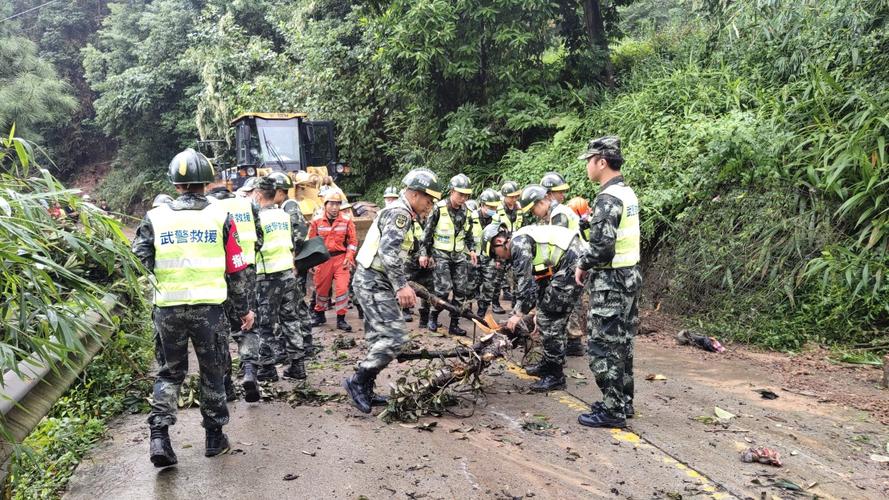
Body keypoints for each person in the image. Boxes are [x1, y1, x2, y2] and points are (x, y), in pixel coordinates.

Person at [132, 148, 255, 467]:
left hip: (168, 310)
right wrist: (243, 310)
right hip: (209, 310)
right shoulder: (220, 216)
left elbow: (137, 262)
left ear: (175, 184)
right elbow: (236, 268)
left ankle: (160, 436)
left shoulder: (155, 217)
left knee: (170, 373)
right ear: (208, 181)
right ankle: (214, 438)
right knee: (212, 372)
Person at [344, 168, 443, 413]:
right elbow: (388, 254)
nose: (429, 207)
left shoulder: (403, 212)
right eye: (428, 201)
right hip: (373, 281)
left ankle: (365, 386)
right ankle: (357, 382)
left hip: (375, 280)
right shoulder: (400, 214)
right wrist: (401, 286)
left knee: (378, 338)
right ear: (415, 195)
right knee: (396, 337)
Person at [574, 136, 642, 429]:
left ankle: (613, 410)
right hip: (629, 275)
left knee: (602, 345)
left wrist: (583, 263)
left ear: (601, 162)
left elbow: (602, 248)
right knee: (623, 343)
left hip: (611, 281)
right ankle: (623, 402)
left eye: (589, 161)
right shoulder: (627, 193)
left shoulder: (607, 198)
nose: (588, 167)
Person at [483, 222, 586, 392]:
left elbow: (525, 286)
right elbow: (540, 283)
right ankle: (548, 364)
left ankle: (555, 376)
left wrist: (518, 313)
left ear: (500, 241)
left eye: (496, 254)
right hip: (568, 264)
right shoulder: (523, 242)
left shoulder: (518, 244)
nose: (499, 259)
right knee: (547, 316)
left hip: (573, 263)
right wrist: (537, 310)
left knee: (551, 319)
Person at [206, 171, 264, 402]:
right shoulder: (247, 204)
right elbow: (259, 238)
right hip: (245, 271)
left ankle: (227, 385)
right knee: (247, 323)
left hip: (214, 275)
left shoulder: (206, 209)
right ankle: (249, 371)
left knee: (219, 332)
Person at [252, 172, 308, 381]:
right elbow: (293, 242)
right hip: (287, 273)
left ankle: (267, 369)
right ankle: (298, 366)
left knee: (265, 323)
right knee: (291, 319)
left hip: (267, 277)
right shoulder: (284, 216)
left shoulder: (257, 218)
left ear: (258, 194)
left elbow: (254, 246)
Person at [419, 174, 478, 335]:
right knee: (443, 290)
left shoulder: (467, 211)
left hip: (458, 256)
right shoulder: (439, 209)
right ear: (452, 191)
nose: (463, 198)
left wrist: (472, 249)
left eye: (466, 195)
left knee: (460, 291)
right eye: (460, 194)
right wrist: (424, 253)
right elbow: (427, 233)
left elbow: (469, 234)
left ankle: (454, 323)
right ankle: (433, 316)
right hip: (441, 254)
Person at [309, 189, 358, 331]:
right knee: (321, 289)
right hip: (323, 260)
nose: (335, 207)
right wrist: (312, 261)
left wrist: (349, 257)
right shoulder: (317, 221)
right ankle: (319, 313)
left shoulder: (347, 221)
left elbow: (353, 242)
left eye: (337, 204)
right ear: (325, 205)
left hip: (341, 259)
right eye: (332, 204)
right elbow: (311, 242)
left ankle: (341, 319)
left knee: (342, 289)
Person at [493, 181, 524, 306]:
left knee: (517, 276)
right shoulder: (498, 209)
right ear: (505, 196)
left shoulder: (519, 208)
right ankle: (495, 302)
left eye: (516, 196)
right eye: (512, 196)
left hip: (515, 247)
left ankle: (516, 304)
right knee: (498, 277)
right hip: (502, 247)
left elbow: (523, 226)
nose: (514, 199)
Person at [475, 188, 505, 316]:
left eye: (495, 207)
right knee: (470, 285)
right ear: (482, 205)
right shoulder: (471, 217)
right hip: (473, 256)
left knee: (489, 285)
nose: (493, 209)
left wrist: (498, 259)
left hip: (489, 257)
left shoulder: (498, 220)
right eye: (490, 206)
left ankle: (482, 310)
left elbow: (501, 241)